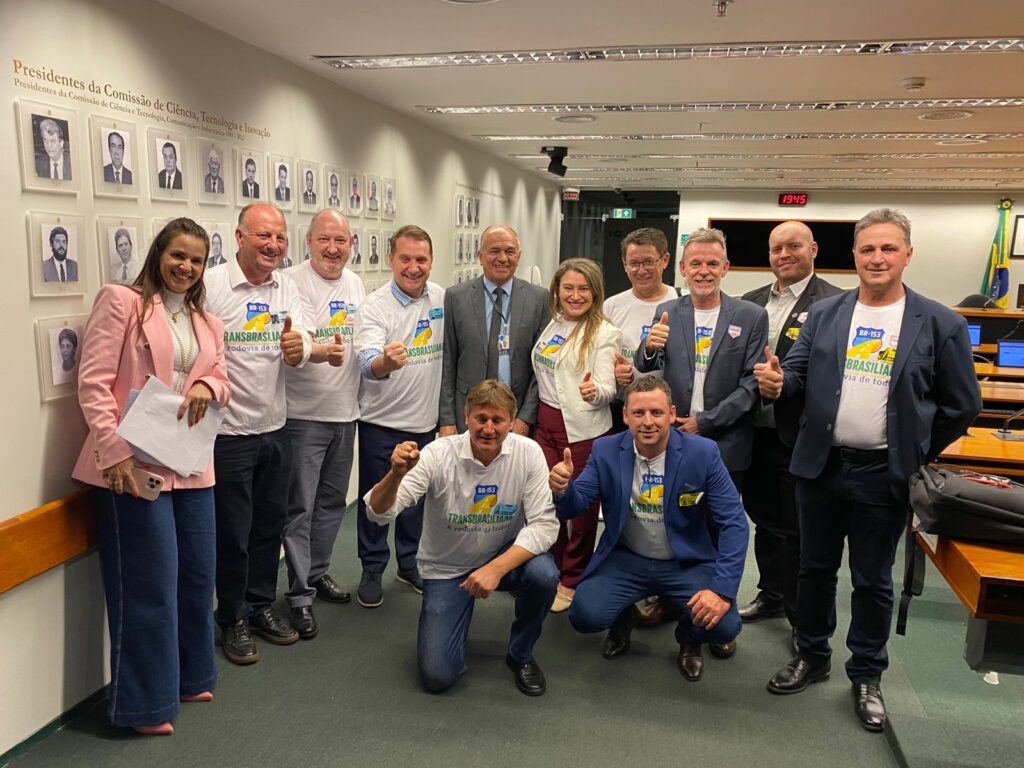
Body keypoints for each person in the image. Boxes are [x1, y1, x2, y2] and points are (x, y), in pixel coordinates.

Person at [755, 208, 981, 732]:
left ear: (907, 254)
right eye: (868, 249)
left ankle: (866, 674)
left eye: (888, 248)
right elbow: (796, 372)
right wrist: (778, 383)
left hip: (884, 474)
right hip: (820, 467)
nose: (877, 258)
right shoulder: (826, 313)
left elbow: (962, 405)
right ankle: (812, 654)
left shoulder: (939, 322)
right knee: (813, 569)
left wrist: (914, 448)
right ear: (854, 256)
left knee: (872, 579)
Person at [72, 217, 231, 735]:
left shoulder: (208, 321)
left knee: (197, 577)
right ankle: (144, 704)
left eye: (197, 260)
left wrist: (208, 385)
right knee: (149, 584)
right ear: (158, 253)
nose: (186, 267)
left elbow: (221, 375)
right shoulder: (122, 302)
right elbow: (94, 382)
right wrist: (113, 450)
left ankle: (190, 675)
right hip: (134, 466)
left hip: (191, 464)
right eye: (177, 255)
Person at [366, 381, 559, 695]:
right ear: (466, 416)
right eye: (481, 418)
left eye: (497, 420)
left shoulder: (528, 453)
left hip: (501, 558)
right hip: (447, 567)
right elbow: (378, 513)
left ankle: (521, 654)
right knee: (437, 677)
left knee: (544, 574)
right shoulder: (437, 454)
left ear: (512, 422)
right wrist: (395, 474)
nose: (488, 429)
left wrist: (494, 569)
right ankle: (454, 617)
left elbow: (544, 526)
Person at [550, 376, 747, 680]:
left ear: (671, 413)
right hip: (627, 557)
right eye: (638, 413)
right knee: (584, 615)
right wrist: (564, 489)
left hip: (685, 561)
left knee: (725, 625)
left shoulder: (703, 453)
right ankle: (624, 616)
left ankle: (689, 638)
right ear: (625, 415)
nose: (647, 422)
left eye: (656, 412)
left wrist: (721, 590)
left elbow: (734, 523)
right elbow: (576, 504)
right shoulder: (605, 450)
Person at [203, 203, 314, 665]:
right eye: (264, 235)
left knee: (269, 525)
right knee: (234, 533)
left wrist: (298, 348)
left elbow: (302, 339)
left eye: (280, 238)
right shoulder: (211, 286)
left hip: (276, 427)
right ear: (239, 237)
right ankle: (232, 617)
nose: (273, 245)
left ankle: (260, 604)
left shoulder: (285, 286)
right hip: (227, 433)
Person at [737, 222, 843, 651]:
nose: (784, 254)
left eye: (793, 246)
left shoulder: (834, 303)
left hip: (800, 434)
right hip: (754, 432)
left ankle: (804, 620)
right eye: (776, 248)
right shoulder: (750, 302)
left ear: (813, 249)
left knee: (800, 531)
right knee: (765, 519)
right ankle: (772, 594)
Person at [281, 209, 365, 639]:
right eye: (324, 240)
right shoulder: (290, 282)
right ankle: (299, 594)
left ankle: (316, 572)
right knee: (300, 508)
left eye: (341, 241)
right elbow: (298, 341)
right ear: (309, 241)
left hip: (345, 413)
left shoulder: (355, 283)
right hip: (303, 416)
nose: (333, 249)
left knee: (332, 503)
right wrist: (318, 350)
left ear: (352, 244)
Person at [635, 227, 767, 489]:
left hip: (726, 444)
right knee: (674, 511)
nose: (703, 271)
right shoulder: (667, 311)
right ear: (683, 268)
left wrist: (704, 422)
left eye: (712, 264)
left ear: (725, 268)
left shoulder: (751, 316)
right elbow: (647, 363)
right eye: (696, 264)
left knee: (721, 513)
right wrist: (648, 346)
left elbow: (751, 386)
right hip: (673, 439)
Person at [354, 225, 444, 608]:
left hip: (425, 424)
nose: (413, 267)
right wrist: (384, 363)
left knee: (415, 503)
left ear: (431, 261)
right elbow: (366, 360)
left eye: (421, 259)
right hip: (381, 425)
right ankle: (372, 569)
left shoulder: (441, 298)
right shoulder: (375, 306)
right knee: (375, 500)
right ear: (391, 259)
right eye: (405, 258)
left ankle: (409, 564)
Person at [532, 258, 622, 612]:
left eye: (583, 289)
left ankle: (572, 578)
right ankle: (553, 568)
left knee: (582, 512)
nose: (575, 295)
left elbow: (608, 388)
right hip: (545, 426)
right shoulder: (554, 323)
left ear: (595, 293)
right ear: (557, 291)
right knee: (548, 502)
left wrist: (594, 392)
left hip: (584, 432)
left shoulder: (604, 332)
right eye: (568, 288)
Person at [439, 224, 548, 438]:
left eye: (510, 251)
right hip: (467, 414)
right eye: (494, 251)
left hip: (515, 414)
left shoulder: (539, 299)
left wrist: (526, 417)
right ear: (480, 256)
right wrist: (447, 420)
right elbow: (448, 362)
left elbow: (540, 368)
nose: (503, 258)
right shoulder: (455, 297)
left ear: (519, 256)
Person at [605, 227, 677, 423]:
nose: (641, 270)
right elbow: (597, 358)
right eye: (634, 263)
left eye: (648, 262)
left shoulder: (681, 303)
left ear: (665, 260)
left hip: (669, 411)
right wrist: (613, 371)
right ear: (624, 265)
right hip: (622, 408)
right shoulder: (610, 307)